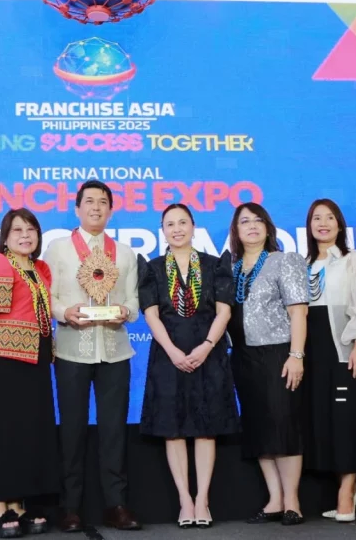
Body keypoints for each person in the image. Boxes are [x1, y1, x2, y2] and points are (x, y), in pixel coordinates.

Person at [44, 180, 141, 533]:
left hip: (115, 351)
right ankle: (70, 508)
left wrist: (124, 312)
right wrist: (63, 312)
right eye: (89, 202)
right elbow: (47, 296)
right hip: (72, 348)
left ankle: (116, 504)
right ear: (77, 208)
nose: (96, 208)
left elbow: (133, 301)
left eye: (103, 202)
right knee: (72, 430)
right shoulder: (57, 249)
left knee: (114, 430)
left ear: (111, 210)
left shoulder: (125, 253)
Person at [139, 204, 237, 528]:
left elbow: (223, 311)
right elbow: (151, 314)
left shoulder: (214, 265)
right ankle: (184, 500)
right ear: (162, 230)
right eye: (170, 224)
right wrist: (172, 351)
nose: (177, 228)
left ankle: (203, 500)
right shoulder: (152, 268)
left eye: (183, 222)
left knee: (206, 429)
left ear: (194, 226)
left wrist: (206, 346)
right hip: (168, 356)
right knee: (173, 430)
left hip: (208, 354)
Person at [0, 208, 59, 539]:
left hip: (36, 361)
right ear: (4, 236)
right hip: (4, 361)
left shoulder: (40, 269)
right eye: (17, 229)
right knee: (4, 434)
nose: (25, 234)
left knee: (29, 433)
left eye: (31, 228)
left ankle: (18, 503)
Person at [222, 202, 309, 526]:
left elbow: (298, 311)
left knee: (283, 425)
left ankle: (293, 501)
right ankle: (274, 500)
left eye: (259, 220)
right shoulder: (229, 268)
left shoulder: (283, 261)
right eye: (245, 221)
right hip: (243, 357)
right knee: (259, 429)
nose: (252, 226)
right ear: (236, 230)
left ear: (268, 227)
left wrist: (296, 355)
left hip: (279, 354)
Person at [301, 199, 356, 522]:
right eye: (316, 218)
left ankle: (347, 492)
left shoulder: (354, 259)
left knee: (349, 419)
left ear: (339, 223)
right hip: (314, 352)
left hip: (346, 348)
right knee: (327, 422)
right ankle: (348, 488)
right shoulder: (304, 264)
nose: (323, 223)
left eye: (330, 217)